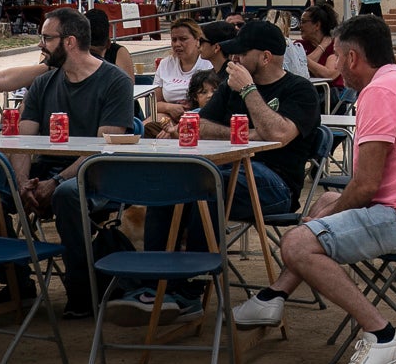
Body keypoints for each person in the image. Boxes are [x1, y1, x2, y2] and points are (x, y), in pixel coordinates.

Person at [231, 15, 396, 364]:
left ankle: (382, 335)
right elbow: (366, 187)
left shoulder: (380, 94)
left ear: (351, 58)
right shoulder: (394, 84)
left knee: (298, 243)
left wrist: (318, 225)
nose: (336, 66)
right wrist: (328, 211)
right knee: (322, 203)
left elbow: (365, 187)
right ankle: (273, 298)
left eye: (340, 55)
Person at [125, 21, 322, 319]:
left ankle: (191, 290)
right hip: (228, 171)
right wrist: (248, 132)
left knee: (206, 182)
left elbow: (280, 135)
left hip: (275, 184)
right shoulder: (229, 89)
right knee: (172, 180)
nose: (234, 59)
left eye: (242, 53)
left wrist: (249, 91)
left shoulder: (299, 90)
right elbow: (199, 124)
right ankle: (158, 285)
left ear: (266, 57)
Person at [8, 7, 136, 319]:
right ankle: (14, 283)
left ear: (69, 42)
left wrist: (56, 182)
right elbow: (22, 141)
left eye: (46, 38)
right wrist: (21, 181)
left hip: (99, 174)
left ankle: (82, 289)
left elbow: (101, 150)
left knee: (67, 195)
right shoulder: (43, 83)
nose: (40, 44)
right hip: (46, 171)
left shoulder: (115, 81)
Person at [152, 20, 215, 121]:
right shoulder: (165, 64)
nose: (177, 44)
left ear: (197, 40)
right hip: (169, 116)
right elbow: (154, 103)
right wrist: (169, 108)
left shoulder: (208, 63)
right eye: (174, 40)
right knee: (148, 124)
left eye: (183, 39)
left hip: (202, 115)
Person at [300, 4, 347, 98]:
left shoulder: (335, 46)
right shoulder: (299, 45)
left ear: (317, 25)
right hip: (306, 92)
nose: (300, 26)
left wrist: (300, 58)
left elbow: (329, 74)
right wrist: (321, 47)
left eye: (303, 22)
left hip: (330, 96)